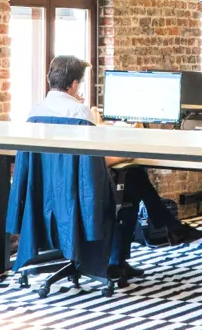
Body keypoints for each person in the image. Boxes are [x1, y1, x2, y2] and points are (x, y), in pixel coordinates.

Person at [26, 55, 181, 277]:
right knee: (133, 179)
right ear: (74, 85)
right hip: (79, 197)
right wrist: (126, 153)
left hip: (47, 196)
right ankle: (126, 253)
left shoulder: (36, 112)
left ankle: (162, 229)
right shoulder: (79, 114)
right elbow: (94, 161)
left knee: (133, 178)